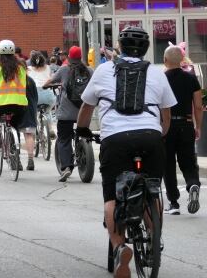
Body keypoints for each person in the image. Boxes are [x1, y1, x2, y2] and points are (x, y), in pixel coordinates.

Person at [75, 26, 176, 278]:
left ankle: (120, 248)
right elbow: (166, 115)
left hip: (116, 140)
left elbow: (87, 108)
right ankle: (153, 241)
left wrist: (83, 131)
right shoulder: (156, 73)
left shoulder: (103, 70)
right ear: (146, 49)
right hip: (150, 137)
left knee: (112, 197)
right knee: (152, 190)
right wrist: (159, 135)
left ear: (119, 46)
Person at [163, 46, 203, 215]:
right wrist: (198, 126)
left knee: (168, 164)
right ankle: (192, 183)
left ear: (165, 61)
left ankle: (173, 203)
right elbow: (199, 106)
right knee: (188, 161)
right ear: (182, 60)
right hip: (186, 124)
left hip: (167, 126)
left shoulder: (161, 79)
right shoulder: (191, 78)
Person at [45, 46, 93, 182]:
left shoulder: (64, 69)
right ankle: (82, 148)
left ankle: (66, 167)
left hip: (66, 113)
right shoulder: (89, 70)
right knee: (82, 132)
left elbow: (51, 81)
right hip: (84, 111)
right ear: (81, 57)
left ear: (69, 57)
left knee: (64, 138)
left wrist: (45, 85)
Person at [0, 40, 36, 171]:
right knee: (14, 127)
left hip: (1, 104)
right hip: (20, 105)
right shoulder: (21, 67)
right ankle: (16, 160)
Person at [28, 51, 56, 137]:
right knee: (48, 111)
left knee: (33, 113)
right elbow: (52, 79)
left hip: (34, 95)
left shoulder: (28, 69)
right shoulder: (48, 68)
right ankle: (50, 129)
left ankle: (35, 132)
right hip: (47, 94)